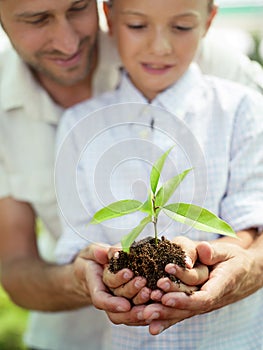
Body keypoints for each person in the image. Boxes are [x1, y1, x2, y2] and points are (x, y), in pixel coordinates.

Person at [0, 0, 262, 349]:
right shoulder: (81, 125)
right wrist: (97, 267)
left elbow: (251, 211)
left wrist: (223, 256)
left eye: (181, 28)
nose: (160, 46)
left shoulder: (236, 96)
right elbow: (32, 259)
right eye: (37, 19)